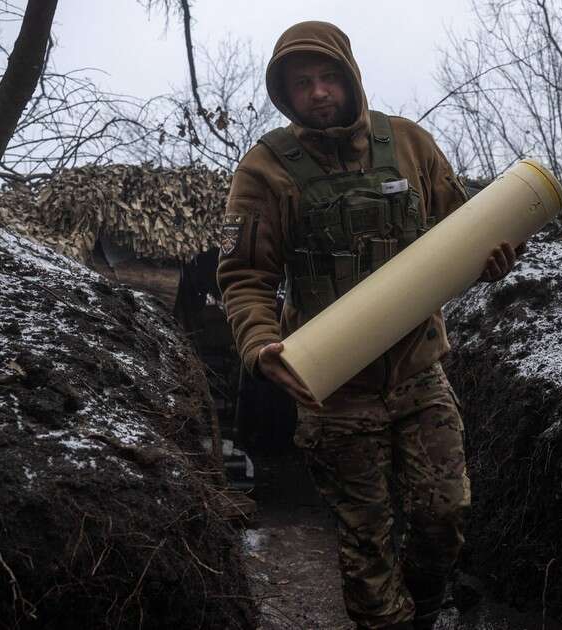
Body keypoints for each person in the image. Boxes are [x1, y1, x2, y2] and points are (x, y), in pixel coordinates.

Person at [216, 21, 521, 630]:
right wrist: (259, 343)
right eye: (302, 83)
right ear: (284, 93)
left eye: (329, 77)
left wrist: (493, 259)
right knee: (365, 542)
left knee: (445, 515)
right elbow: (245, 275)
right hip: (333, 390)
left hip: (417, 374)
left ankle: (424, 611)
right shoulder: (265, 170)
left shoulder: (409, 144)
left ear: (351, 78)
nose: (319, 92)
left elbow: (462, 232)